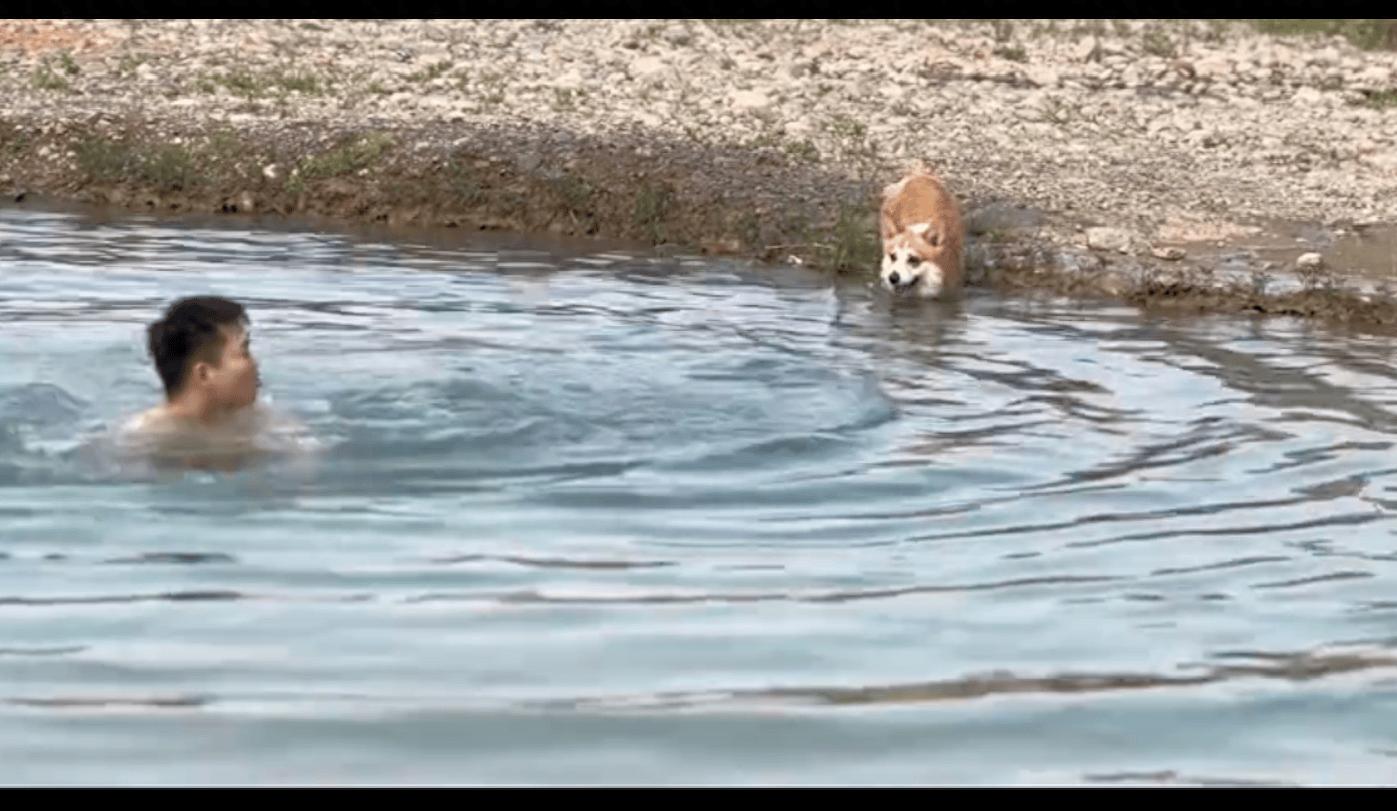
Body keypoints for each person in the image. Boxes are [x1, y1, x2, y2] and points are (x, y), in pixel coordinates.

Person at [119, 296, 308, 472]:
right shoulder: (143, 439)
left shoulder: (264, 422)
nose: (255, 363)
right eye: (244, 352)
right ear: (204, 373)